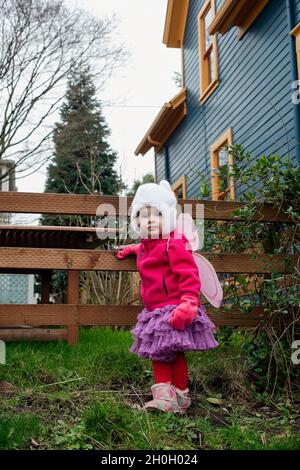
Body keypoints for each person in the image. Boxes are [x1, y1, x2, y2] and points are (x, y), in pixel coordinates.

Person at [116, 180, 219, 413]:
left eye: (157, 215)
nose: (149, 220)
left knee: (167, 354)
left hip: (175, 307)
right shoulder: (145, 247)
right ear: (136, 222)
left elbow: (189, 274)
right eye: (142, 216)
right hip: (154, 311)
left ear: (169, 218)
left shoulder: (175, 244)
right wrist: (131, 249)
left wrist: (190, 302)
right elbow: (145, 249)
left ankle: (174, 396)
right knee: (163, 352)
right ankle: (174, 397)